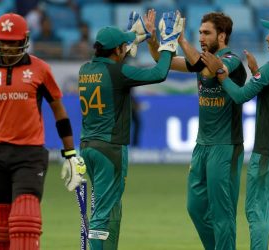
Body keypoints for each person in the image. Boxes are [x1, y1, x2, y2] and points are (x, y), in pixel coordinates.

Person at [0, 13, 86, 250]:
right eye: (3, 41)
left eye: (12, 42)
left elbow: (59, 112)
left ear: (24, 40)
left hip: (30, 155)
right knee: (1, 226)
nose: (7, 47)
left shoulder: (40, 69)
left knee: (25, 222)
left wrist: (70, 154)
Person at [78, 11, 183, 250]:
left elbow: (113, 57)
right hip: (110, 148)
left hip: (88, 146)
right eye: (123, 46)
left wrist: (136, 38)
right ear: (116, 51)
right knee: (103, 211)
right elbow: (159, 74)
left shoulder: (86, 69)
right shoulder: (118, 73)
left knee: (109, 205)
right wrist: (167, 46)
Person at [201, 17, 269, 249]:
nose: (267, 38)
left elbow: (240, 96)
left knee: (258, 212)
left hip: (268, 151)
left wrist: (222, 74)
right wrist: (257, 72)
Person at [146, 11, 247, 249]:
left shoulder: (231, 59)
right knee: (195, 207)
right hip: (201, 146)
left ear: (221, 36)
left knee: (223, 214)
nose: (201, 37)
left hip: (225, 146)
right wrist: (153, 41)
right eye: (199, 32)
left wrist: (180, 40)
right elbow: (164, 62)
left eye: (206, 33)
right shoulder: (199, 61)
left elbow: (211, 70)